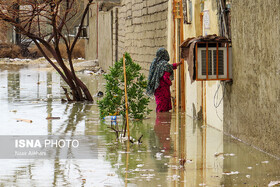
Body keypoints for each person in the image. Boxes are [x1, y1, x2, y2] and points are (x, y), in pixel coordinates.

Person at [147, 48, 182, 112]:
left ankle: (159, 120)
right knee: (163, 107)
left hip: (156, 88)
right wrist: (170, 83)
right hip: (163, 89)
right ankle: (162, 120)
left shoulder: (156, 63)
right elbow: (165, 77)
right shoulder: (164, 64)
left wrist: (178, 64)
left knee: (159, 105)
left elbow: (170, 66)